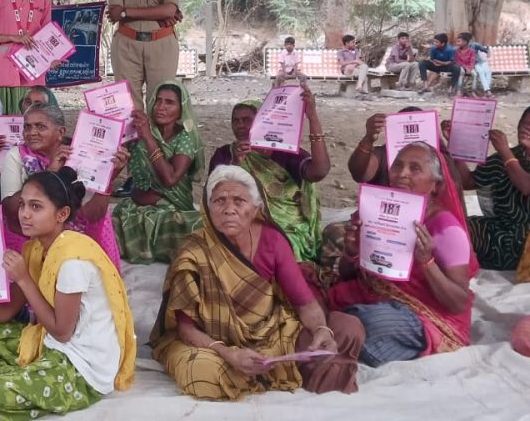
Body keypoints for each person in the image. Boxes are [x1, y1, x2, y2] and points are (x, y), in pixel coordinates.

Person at [0, 167, 135, 421]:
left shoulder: (73, 261)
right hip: (45, 341)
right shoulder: (36, 249)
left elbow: (62, 333)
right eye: (23, 205)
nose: (25, 214)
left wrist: (24, 279)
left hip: (80, 366)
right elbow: (7, 312)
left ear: (62, 214)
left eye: (36, 207)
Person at [150, 165, 363, 401]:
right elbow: (186, 329)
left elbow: (304, 303)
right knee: (201, 371)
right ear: (208, 210)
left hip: (272, 335)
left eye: (239, 201)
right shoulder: (193, 252)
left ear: (255, 209)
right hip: (214, 344)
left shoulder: (272, 241)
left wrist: (321, 329)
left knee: (347, 328)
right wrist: (229, 353)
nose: (229, 209)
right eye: (219, 201)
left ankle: (290, 370)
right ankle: (293, 372)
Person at [329, 142, 477, 366]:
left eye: (415, 168)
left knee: (374, 320)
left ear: (435, 185)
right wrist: (352, 252)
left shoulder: (445, 227)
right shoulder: (376, 212)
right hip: (371, 298)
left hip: (424, 316)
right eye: (397, 166)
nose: (402, 174)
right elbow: (347, 275)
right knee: (307, 285)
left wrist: (427, 262)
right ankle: (340, 329)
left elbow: (457, 303)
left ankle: (338, 329)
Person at [0, 102, 127, 270]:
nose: (32, 133)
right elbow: (10, 210)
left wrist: (108, 177)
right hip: (30, 237)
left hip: (80, 238)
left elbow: (92, 216)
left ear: (61, 132)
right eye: (27, 127)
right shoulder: (17, 156)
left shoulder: (82, 155)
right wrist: (50, 173)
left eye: (40, 127)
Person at [208, 91, 330, 263]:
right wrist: (236, 162)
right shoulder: (224, 154)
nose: (240, 125)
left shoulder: (285, 152)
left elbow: (319, 172)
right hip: (239, 221)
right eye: (235, 121)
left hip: (284, 226)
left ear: (263, 120)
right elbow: (214, 194)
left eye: (247, 120)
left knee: (268, 247)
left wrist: (313, 118)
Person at [112, 80, 204, 264]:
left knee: (185, 231)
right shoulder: (140, 130)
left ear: (181, 109)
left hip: (170, 209)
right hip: (134, 208)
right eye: (158, 101)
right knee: (106, 225)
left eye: (169, 102)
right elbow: (114, 163)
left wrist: (148, 138)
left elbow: (170, 179)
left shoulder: (185, 138)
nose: (161, 107)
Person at [452, 104, 530, 271]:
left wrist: (505, 151)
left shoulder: (506, 155)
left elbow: (527, 186)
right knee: (455, 229)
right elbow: (468, 182)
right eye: (528, 125)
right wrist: (456, 145)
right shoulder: (503, 158)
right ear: (519, 127)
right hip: (500, 227)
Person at [465, 33, 493, 98]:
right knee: (481, 72)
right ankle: (488, 91)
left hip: (481, 62)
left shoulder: (475, 45)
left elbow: (485, 50)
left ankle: (487, 92)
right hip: (475, 64)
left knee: (488, 72)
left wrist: (488, 49)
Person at [453, 32, 477, 97]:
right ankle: (459, 91)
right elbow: (458, 61)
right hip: (461, 67)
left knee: (474, 74)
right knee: (462, 72)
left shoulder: (471, 51)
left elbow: (472, 61)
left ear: (465, 42)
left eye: (459, 41)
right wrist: (465, 68)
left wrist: (470, 68)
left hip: (469, 67)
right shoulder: (457, 51)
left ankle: (473, 91)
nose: (457, 43)